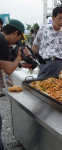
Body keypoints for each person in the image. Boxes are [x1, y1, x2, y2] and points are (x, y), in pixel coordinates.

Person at [0, 19, 32, 150]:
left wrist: (20, 64)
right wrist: (19, 57)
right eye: (19, 38)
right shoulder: (1, 41)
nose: (16, 42)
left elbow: (3, 64)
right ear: (15, 33)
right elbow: (8, 70)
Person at [32, 6, 62, 79]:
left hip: (60, 64)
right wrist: (35, 60)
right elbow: (35, 45)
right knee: (41, 86)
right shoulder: (43, 29)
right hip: (45, 63)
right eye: (59, 18)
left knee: (60, 87)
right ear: (53, 18)